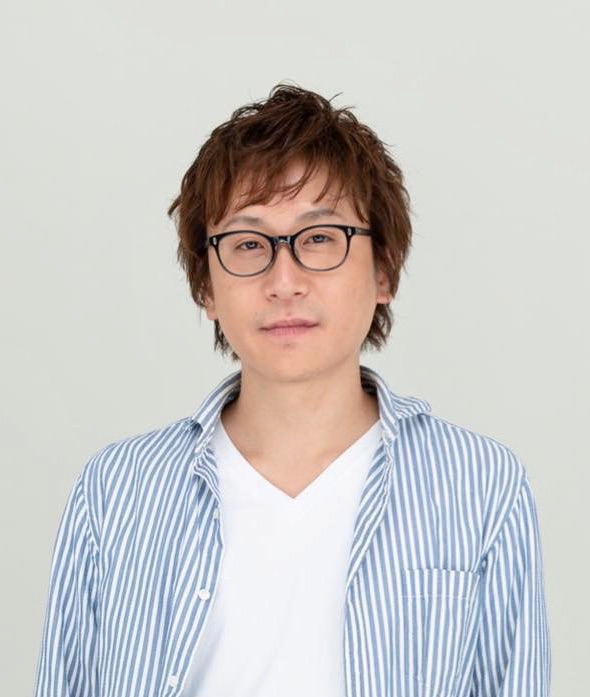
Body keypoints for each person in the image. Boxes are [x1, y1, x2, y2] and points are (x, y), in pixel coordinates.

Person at [33, 84, 551, 697]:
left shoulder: (480, 484)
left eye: (320, 238)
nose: (284, 281)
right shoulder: (117, 490)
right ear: (206, 288)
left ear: (384, 270)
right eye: (248, 244)